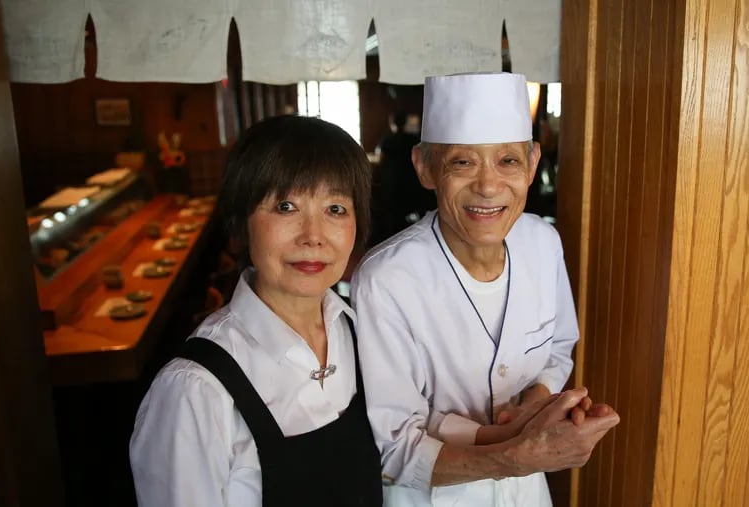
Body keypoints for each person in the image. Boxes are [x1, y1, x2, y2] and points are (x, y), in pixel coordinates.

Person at [351, 72, 620, 506]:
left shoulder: (541, 243)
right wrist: (514, 451)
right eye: (463, 162)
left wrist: (534, 404)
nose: (489, 186)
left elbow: (558, 348)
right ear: (425, 168)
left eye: (508, 161)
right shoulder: (387, 278)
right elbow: (395, 445)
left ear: (533, 163)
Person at [130, 115, 382, 507]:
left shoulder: (361, 332)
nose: (313, 236)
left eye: (335, 209)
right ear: (241, 221)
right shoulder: (195, 390)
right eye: (286, 206)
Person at [370, 111, 437, 246]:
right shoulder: (413, 140)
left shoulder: (387, 140)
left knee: (393, 215)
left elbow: (380, 160)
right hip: (412, 183)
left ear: (393, 124)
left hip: (392, 183)